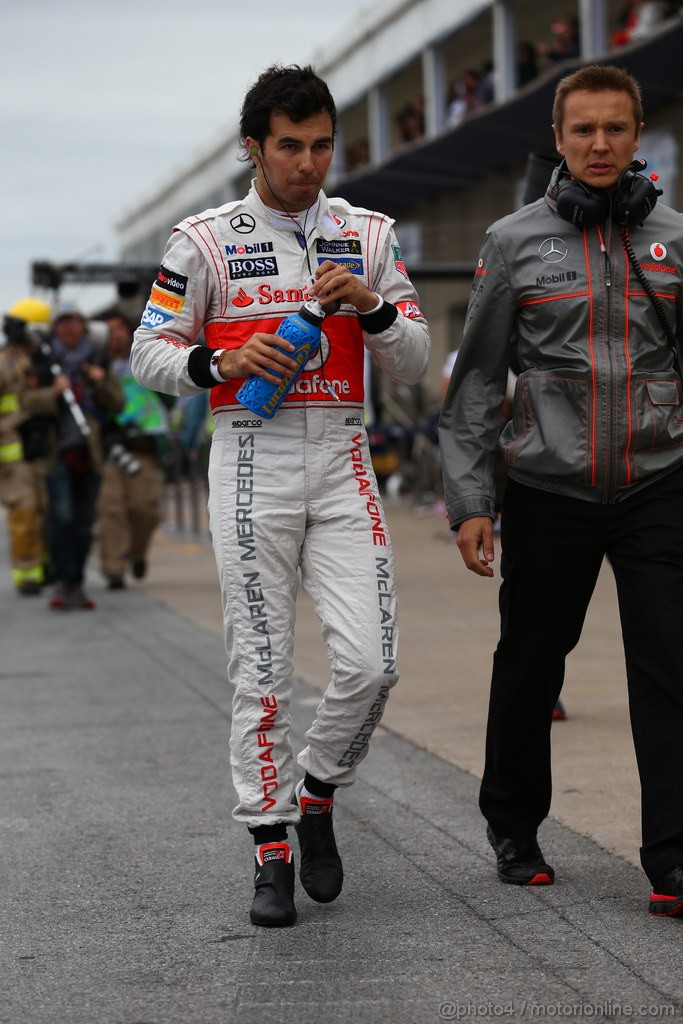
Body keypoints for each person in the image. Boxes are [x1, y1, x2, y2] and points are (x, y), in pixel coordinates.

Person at [131, 64, 430, 928]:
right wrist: (219, 361)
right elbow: (149, 354)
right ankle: (269, 845)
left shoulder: (368, 232)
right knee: (260, 671)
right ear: (253, 146)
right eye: (290, 146)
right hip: (250, 456)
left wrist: (372, 307)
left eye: (321, 145)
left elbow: (412, 358)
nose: (308, 163)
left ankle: (318, 789)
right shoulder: (204, 240)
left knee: (374, 664)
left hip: (342, 454)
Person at [439, 65, 683, 917]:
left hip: (659, 484)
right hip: (547, 488)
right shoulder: (512, 243)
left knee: (670, 667)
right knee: (530, 665)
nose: (599, 144)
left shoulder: (675, 242)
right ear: (557, 137)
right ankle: (512, 824)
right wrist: (471, 500)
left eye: (615, 128)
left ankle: (673, 858)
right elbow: (475, 383)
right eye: (582, 129)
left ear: (635, 133)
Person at [42, 301, 124, 610]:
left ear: (83, 325)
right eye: (62, 322)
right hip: (57, 454)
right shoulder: (45, 362)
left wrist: (100, 382)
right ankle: (64, 581)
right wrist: (52, 392)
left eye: (73, 320)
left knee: (85, 521)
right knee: (62, 518)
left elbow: (117, 404)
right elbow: (27, 401)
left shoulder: (97, 359)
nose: (68, 327)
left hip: (90, 454)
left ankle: (76, 582)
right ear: (54, 328)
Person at [96, 313, 168, 589]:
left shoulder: (146, 358)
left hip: (144, 446)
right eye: (109, 330)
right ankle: (113, 568)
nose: (115, 335)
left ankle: (136, 552)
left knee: (145, 509)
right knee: (111, 509)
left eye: (119, 329)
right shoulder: (96, 365)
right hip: (112, 448)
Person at [0, 298, 52, 595]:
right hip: (13, 453)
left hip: (42, 448)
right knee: (24, 513)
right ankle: (26, 574)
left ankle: (42, 565)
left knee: (44, 512)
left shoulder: (43, 358)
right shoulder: (4, 362)